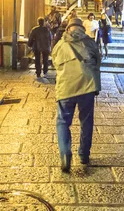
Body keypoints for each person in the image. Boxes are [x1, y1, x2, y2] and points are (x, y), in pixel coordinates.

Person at [51, 17, 101, 172]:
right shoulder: (90, 43)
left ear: (68, 29)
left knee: (63, 121)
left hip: (66, 87)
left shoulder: (60, 44)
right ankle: (84, 155)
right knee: (86, 121)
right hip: (87, 86)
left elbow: (54, 62)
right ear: (82, 28)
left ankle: (65, 154)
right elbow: (98, 61)